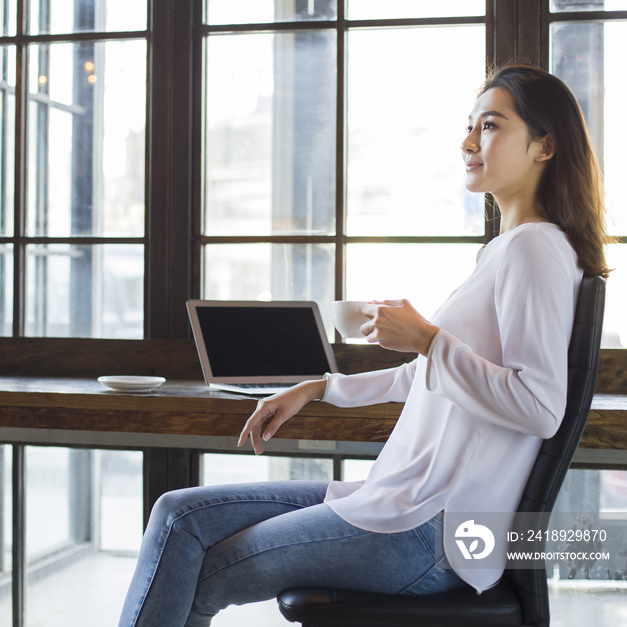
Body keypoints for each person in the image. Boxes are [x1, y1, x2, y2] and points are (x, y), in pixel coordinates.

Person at [118, 64, 610, 627]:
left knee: (196, 571)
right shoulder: (506, 250)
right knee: (180, 515)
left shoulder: (535, 252)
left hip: (430, 532)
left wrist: (427, 338)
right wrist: (322, 387)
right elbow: (429, 376)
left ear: (545, 146)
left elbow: (539, 407)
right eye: (470, 126)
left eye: (491, 127)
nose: (468, 142)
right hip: (397, 501)